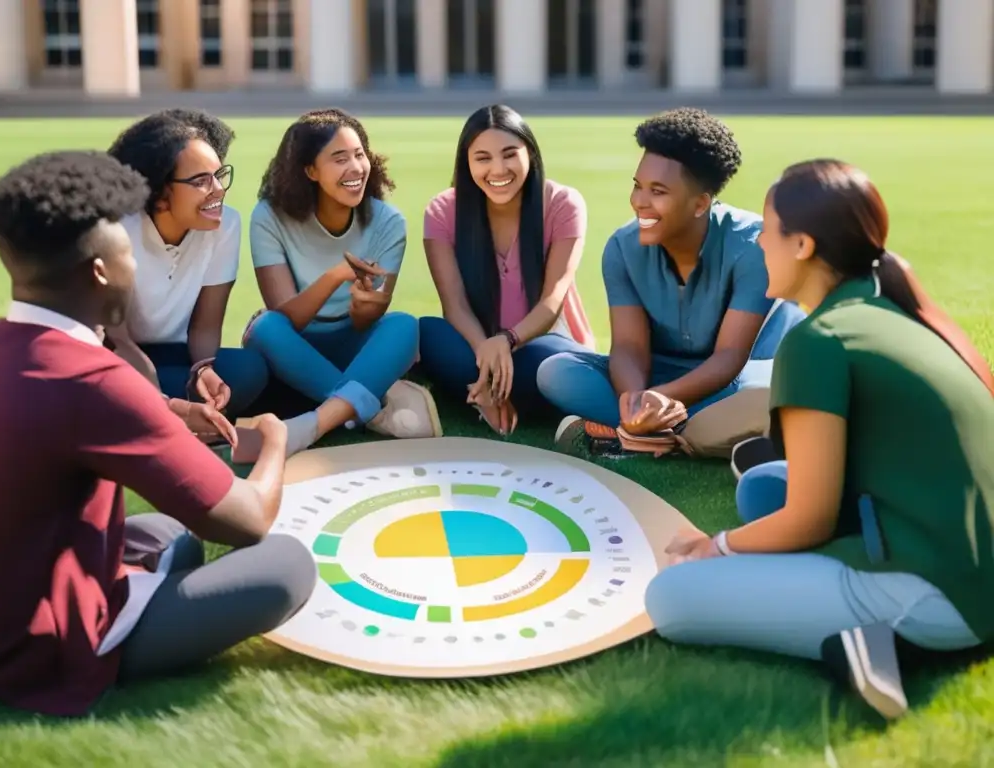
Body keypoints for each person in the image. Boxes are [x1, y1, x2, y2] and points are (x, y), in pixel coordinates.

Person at [0, 150, 317, 717]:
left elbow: (59, 421)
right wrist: (275, 439)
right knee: (286, 565)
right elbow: (248, 521)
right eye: (128, 252)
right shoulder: (97, 379)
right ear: (102, 271)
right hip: (42, 647)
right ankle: (109, 649)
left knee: (170, 533)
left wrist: (166, 411)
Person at [645, 159, 994, 720]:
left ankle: (881, 642)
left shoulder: (818, 341)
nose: (758, 241)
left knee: (671, 598)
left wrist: (719, 547)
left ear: (803, 245)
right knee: (763, 485)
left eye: (768, 228)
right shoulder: (888, 306)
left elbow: (810, 519)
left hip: (942, 596)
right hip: (969, 554)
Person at [537, 108, 805, 458]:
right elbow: (630, 348)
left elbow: (729, 358)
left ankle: (638, 434)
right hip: (662, 373)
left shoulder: (754, 246)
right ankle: (678, 432)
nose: (639, 202)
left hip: (740, 374)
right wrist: (633, 402)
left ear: (700, 204)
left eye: (658, 191)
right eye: (637, 186)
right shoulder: (621, 248)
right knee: (555, 372)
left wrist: (665, 398)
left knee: (774, 392)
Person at [243, 108, 441, 445]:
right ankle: (377, 410)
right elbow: (288, 315)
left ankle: (315, 423)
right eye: (339, 158)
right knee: (266, 327)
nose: (355, 168)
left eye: (359, 155)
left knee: (404, 325)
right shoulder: (269, 217)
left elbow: (366, 322)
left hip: (352, 342)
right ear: (310, 170)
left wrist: (367, 306)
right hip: (297, 345)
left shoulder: (388, 222)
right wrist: (336, 275)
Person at [418, 104, 596, 436]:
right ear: (466, 162)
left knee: (552, 367)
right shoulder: (442, 211)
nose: (498, 169)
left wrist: (507, 340)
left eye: (509, 154)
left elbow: (552, 300)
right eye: (482, 158)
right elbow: (453, 305)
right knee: (424, 333)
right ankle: (490, 392)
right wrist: (486, 352)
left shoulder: (562, 204)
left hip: (539, 345)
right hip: (476, 348)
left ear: (530, 153)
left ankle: (487, 393)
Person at [103, 108, 269, 420]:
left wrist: (202, 369)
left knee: (249, 370)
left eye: (219, 176)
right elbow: (117, 340)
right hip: (121, 356)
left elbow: (206, 325)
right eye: (201, 181)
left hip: (179, 356)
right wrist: (162, 397)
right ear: (158, 193)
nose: (218, 190)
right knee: (114, 389)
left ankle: (166, 416)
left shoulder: (226, 225)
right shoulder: (116, 230)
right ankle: (170, 416)